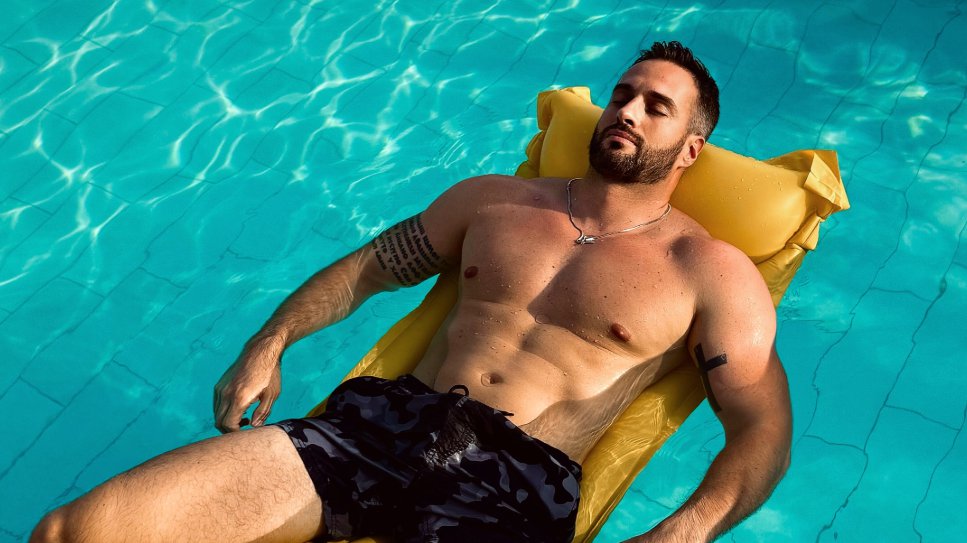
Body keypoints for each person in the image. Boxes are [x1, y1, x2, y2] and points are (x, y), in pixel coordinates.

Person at [31, 41, 791, 543]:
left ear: (691, 148)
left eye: (656, 106)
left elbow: (762, 430)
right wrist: (269, 342)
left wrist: (682, 530)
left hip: (512, 486)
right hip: (379, 428)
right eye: (623, 92)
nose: (625, 110)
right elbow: (368, 267)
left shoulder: (710, 271)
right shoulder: (494, 202)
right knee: (72, 531)